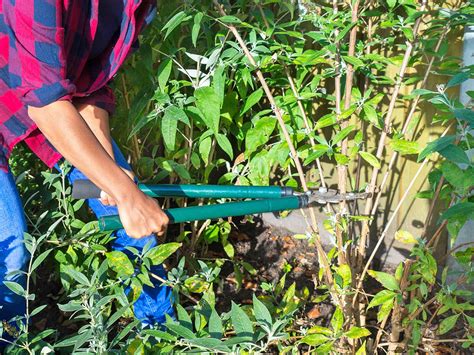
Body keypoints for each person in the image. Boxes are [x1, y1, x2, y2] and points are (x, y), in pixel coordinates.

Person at [0, 0, 175, 339]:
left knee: (133, 228)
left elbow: (90, 86)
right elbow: (47, 106)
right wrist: (125, 193)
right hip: (41, 103)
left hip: (41, 97)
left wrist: (109, 176)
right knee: (9, 257)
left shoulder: (137, 5)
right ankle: (12, 343)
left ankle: (162, 338)